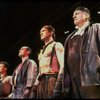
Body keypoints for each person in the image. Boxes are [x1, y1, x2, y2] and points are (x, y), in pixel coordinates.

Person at [62, 6, 100, 99]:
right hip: (73, 81)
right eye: (73, 15)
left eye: (77, 13)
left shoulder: (96, 28)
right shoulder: (69, 37)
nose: (73, 16)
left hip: (90, 79)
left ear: (86, 15)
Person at [33, 25, 64, 99]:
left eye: (43, 31)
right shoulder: (41, 52)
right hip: (41, 81)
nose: (41, 33)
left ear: (51, 32)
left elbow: (63, 64)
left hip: (52, 79)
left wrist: (59, 82)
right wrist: (35, 85)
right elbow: (40, 70)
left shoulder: (56, 45)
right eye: (40, 32)